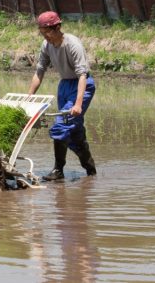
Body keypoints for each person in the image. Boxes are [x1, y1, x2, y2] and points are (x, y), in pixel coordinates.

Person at [28, 11, 97, 181]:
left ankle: (58, 170)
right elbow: (40, 71)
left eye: (48, 33)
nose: (46, 37)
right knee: (74, 132)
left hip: (82, 85)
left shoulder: (73, 44)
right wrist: (29, 96)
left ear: (57, 27)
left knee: (61, 126)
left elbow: (82, 74)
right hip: (65, 85)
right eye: (42, 33)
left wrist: (78, 104)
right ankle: (91, 171)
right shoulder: (47, 45)